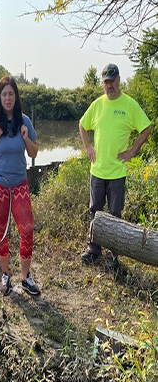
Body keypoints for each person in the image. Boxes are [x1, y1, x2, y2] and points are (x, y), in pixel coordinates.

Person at [79, 63, 152, 269]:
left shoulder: (129, 105)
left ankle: (113, 255)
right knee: (95, 211)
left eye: (112, 81)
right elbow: (82, 125)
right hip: (97, 170)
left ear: (119, 80)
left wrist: (133, 150)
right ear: (102, 83)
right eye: (106, 82)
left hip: (117, 172)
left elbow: (146, 127)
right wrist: (87, 147)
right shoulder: (97, 104)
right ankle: (93, 249)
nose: (109, 85)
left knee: (115, 215)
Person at [0, 75, 40, 296]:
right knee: (1, 231)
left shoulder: (24, 121)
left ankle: (25, 278)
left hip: (20, 184)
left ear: (16, 97)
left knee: (27, 229)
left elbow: (34, 152)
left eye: (11, 94)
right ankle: (6, 276)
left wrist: (26, 138)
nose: (7, 98)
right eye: (4, 94)